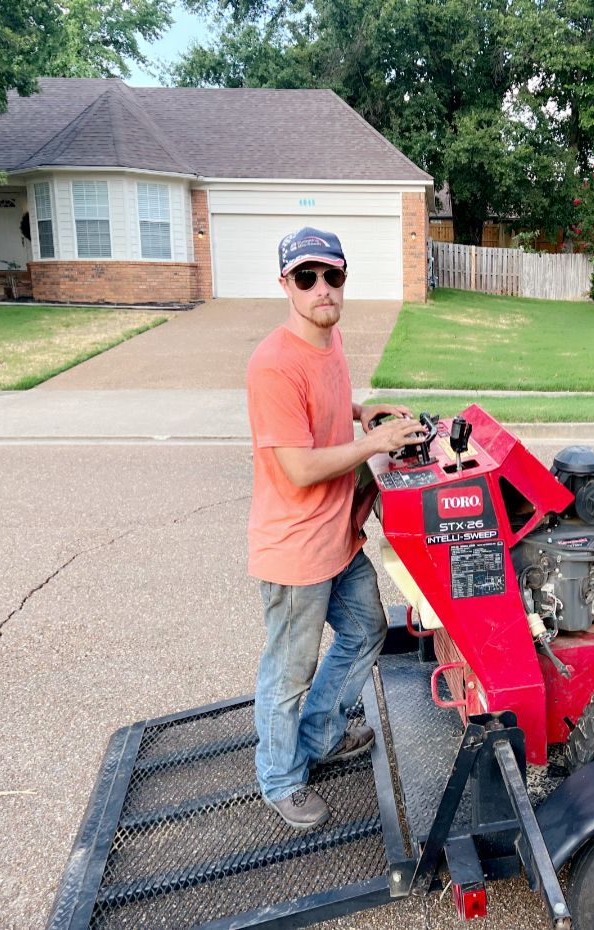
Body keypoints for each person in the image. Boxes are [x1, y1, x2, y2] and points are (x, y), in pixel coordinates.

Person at [245, 226, 422, 830]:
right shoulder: (273, 364)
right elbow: (296, 466)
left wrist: (360, 411)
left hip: (337, 534)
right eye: (307, 277)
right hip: (295, 550)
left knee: (366, 630)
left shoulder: (330, 339)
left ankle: (319, 736)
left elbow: (324, 402)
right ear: (286, 285)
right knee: (288, 672)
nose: (323, 289)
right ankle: (280, 778)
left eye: (332, 276)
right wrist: (373, 442)